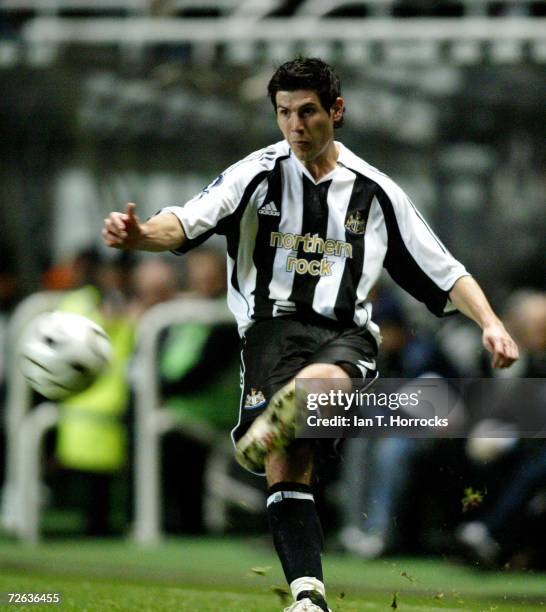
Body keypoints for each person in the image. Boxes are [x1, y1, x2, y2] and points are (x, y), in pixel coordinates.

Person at [102, 57, 519, 612]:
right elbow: (185, 219)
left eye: (307, 112)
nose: (295, 126)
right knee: (289, 465)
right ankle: (308, 595)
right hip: (270, 331)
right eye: (283, 113)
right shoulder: (255, 173)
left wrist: (491, 323)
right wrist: (138, 235)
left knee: (318, 390)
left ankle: (270, 423)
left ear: (335, 111)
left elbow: (444, 269)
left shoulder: (376, 192)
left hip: (345, 333)